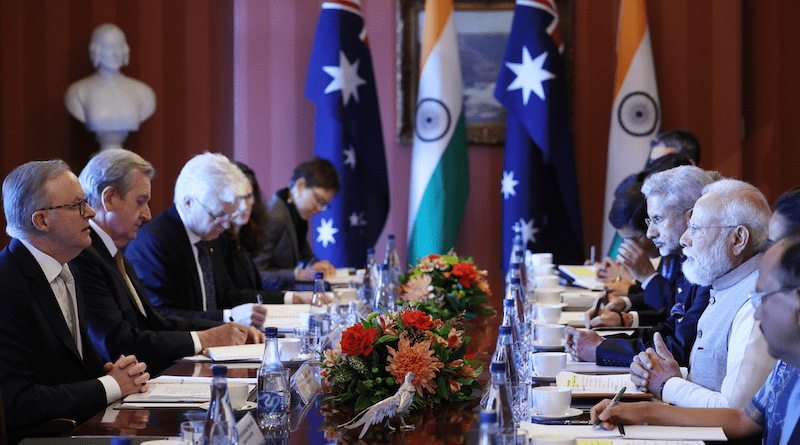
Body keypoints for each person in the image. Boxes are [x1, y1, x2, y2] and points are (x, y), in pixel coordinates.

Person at [71, 149, 264, 375]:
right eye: (140, 202)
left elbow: (156, 320)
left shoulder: (113, 252)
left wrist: (226, 330)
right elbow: (119, 343)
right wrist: (205, 338)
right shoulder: (84, 255)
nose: (148, 214)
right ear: (109, 198)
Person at [592, 235, 800, 444]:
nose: (756, 313)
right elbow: (742, 419)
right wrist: (642, 411)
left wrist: (666, 387)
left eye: (762, 297)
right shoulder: (788, 365)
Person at [0, 160, 149, 434]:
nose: (91, 212)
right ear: (42, 220)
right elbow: (18, 402)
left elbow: (78, 367)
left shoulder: (68, 269)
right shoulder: (7, 284)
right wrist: (111, 385)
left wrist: (118, 373)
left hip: (82, 424)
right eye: (77, 205)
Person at [628, 179, 775, 409]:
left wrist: (668, 384)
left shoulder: (755, 303)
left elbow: (734, 412)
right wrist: (670, 375)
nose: (684, 239)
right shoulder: (724, 282)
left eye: (695, 229)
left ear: (738, 239)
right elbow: (713, 384)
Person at [566, 166, 715, 366]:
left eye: (658, 220)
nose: (651, 233)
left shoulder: (710, 269)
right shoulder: (690, 260)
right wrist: (605, 342)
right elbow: (669, 328)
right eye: (649, 221)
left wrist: (603, 348)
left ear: (691, 217)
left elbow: (678, 349)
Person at [125, 152, 284, 323]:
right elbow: (160, 315)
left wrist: (285, 300)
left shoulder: (210, 235)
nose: (226, 226)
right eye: (218, 215)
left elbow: (226, 295)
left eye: (229, 217)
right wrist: (228, 317)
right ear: (188, 203)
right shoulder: (153, 242)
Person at [64, 23, 156, 151]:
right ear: (95, 50)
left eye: (119, 46)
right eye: (109, 47)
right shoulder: (77, 92)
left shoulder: (144, 93)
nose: (116, 53)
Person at [253, 157, 339, 289]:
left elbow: (306, 257)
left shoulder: (296, 215)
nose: (319, 208)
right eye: (318, 199)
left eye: (324, 204)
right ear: (300, 185)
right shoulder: (275, 216)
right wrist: (297, 274)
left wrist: (318, 264)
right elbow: (255, 274)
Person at [219, 162, 267, 291]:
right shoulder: (218, 239)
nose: (244, 206)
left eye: (248, 197)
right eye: (237, 198)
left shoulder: (244, 235)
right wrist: (290, 298)